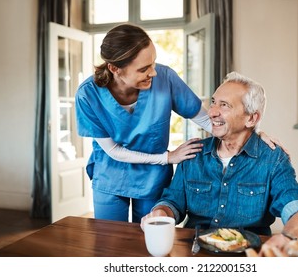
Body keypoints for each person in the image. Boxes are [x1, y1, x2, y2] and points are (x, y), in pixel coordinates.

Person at [75, 23, 283, 224]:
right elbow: (113, 150)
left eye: (154, 63)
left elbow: (203, 118)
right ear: (115, 68)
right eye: (144, 68)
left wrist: (250, 135)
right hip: (111, 174)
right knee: (109, 242)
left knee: (150, 238)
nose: (153, 72)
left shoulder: (165, 78)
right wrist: (168, 157)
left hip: (152, 179)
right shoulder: (87, 95)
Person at [141, 71, 298, 255]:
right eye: (214, 102)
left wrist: (288, 238)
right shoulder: (194, 153)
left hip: (248, 256)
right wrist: (162, 212)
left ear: (251, 118)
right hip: (195, 252)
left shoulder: (273, 159)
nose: (211, 112)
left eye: (224, 105)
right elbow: (172, 202)